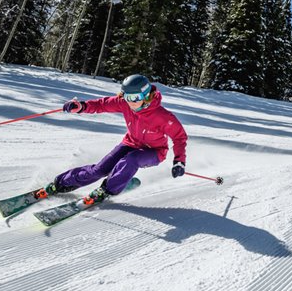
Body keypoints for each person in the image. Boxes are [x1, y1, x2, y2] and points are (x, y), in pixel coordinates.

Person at [41, 74, 187, 204]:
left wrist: (179, 161)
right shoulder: (125, 103)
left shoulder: (163, 117)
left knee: (131, 160)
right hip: (131, 143)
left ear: (146, 95)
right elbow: (101, 105)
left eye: (135, 98)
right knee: (99, 169)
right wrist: (81, 107)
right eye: (127, 97)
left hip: (154, 152)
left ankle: (108, 190)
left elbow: (179, 137)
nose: (131, 102)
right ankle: (61, 183)